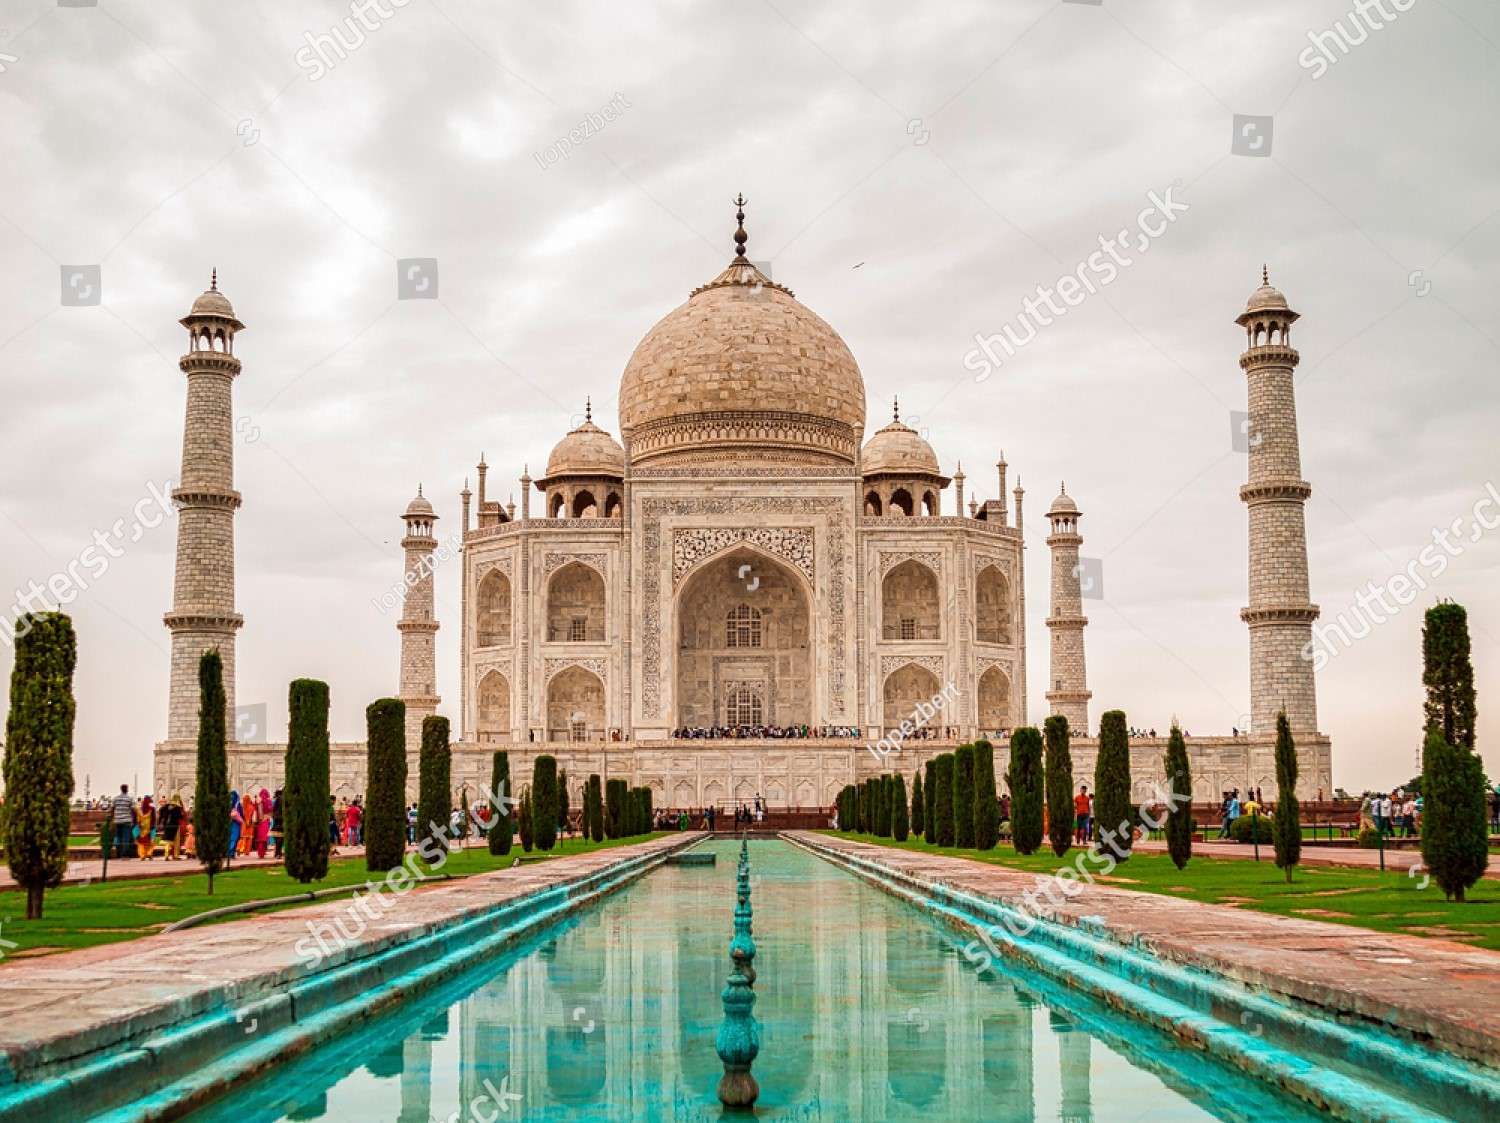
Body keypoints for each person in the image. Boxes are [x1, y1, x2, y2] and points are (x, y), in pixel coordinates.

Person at [111, 784, 135, 860]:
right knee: (126, 838)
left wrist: (112, 818)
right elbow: (133, 810)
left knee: (118, 837)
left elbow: (112, 809)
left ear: (121, 789)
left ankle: (118, 853)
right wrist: (133, 820)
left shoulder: (115, 798)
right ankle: (124, 855)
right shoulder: (129, 798)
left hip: (117, 820)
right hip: (126, 821)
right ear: (127, 789)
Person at [159, 793, 184, 860]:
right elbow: (180, 817)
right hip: (175, 826)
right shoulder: (178, 807)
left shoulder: (167, 806)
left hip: (167, 826)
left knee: (168, 840)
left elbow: (161, 811)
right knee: (176, 841)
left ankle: (166, 854)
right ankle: (176, 855)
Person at [136, 795, 157, 860]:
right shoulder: (152, 809)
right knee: (152, 841)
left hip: (142, 827)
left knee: (141, 842)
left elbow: (138, 819)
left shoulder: (139, 809)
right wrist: (153, 825)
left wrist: (139, 826)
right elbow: (154, 818)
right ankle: (149, 853)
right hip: (151, 827)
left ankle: (142, 855)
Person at [254, 788, 273, 858]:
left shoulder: (258, 801)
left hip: (259, 821)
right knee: (265, 838)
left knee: (260, 838)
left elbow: (255, 810)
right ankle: (263, 853)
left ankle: (260, 853)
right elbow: (271, 810)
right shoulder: (269, 801)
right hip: (266, 820)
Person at [228, 790, 244, 857]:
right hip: (236, 823)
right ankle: (231, 852)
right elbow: (241, 813)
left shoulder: (227, 803)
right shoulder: (238, 804)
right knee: (235, 838)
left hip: (229, 822)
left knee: (230, 838)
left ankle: (230, 852)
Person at [271, 789, 285, 858]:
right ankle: (278, 853)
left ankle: (277, 853)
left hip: (277, 820)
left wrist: (274, 817)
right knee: (280, 838)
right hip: (281, 820)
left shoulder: (277, 799)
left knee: (278, 838)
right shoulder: (282, 798)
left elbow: (273, 810)